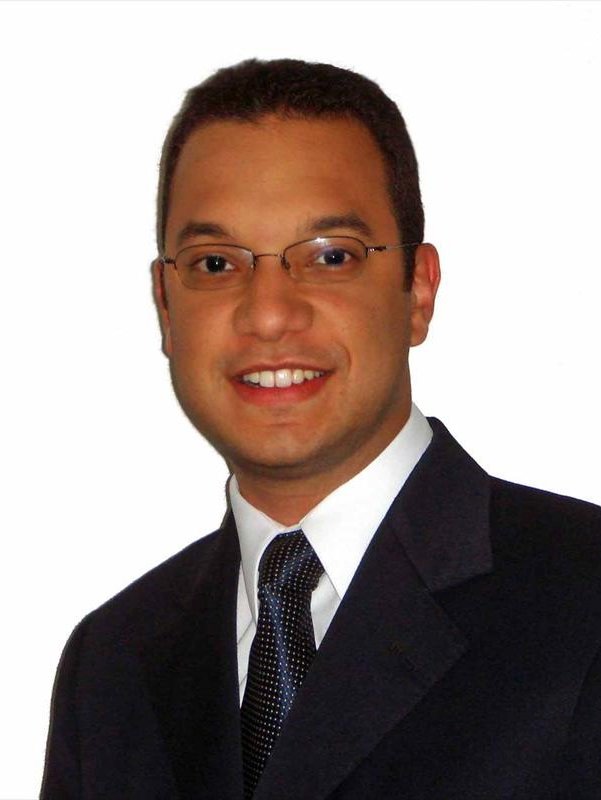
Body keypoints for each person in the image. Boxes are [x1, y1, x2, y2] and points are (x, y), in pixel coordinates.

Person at [41, 59, 601, 800]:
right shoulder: (111, 665)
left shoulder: (582, 596)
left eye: (330, 257)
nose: (269, 313)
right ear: (166, 307)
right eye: (216, 262)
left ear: (417, 291)